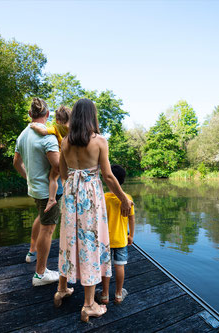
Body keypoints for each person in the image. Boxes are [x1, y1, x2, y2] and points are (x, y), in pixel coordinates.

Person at [54, 98, 133, 323]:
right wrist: (124, 200)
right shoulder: (99, 141)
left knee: (68, 241)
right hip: (90, 196)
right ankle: (88, 305)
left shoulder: (65, 142)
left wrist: (72, 188)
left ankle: (61, 289)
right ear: (92, 116)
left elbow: (62, 173)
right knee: (89, 243)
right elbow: (108, 176)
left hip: (70, 193)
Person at [13, 97, 62, 286]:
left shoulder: (22, 135)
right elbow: (58, 166)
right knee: (48, 229)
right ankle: (40, 274)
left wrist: (28, 178)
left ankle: (32, 252)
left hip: (34, 189)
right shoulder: (47, 137)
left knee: (41, 218)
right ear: (47, 115)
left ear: (29, 114)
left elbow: (16, 163)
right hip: (48, 192)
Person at [97, 164, 135, 305]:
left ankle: (105, 295)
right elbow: (131, 218)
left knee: (105, 267)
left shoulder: (102, 198)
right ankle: (118, 294)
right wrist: (131, 235)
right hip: (121, 239)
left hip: (104, 240)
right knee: (120, 266)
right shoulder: (127, 198)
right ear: (123, 180)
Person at [29, 105, 71, 213]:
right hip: (71, 157)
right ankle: (63, 193)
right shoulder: (73, 129)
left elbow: (43, 131)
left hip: (61, 156)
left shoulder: (56, 127)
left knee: (52, 177)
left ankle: (52, 199)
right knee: (62, 176)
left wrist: (33, 126)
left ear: (57, 119)